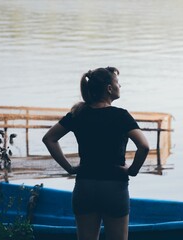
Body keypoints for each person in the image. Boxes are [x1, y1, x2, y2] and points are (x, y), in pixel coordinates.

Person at [42, 66, 149, 240]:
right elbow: (143, 146)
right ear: (109, 88)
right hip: (114, 188)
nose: (120, 86)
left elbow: (49, 139)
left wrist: (69, 168)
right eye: (117, 83)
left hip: (85, 186)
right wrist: (132, 171)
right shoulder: (121, 116)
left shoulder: (78, 114)